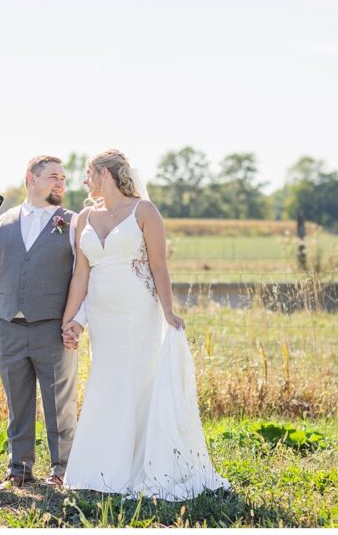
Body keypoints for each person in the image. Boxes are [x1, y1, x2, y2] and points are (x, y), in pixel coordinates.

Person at [60, 149, 230, 500]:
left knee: (136, 382)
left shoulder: (144, 212)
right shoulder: (83, 218)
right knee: (106, 383)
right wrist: (70, 320)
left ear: (105, 174)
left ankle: (138, 465)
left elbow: (159, 267)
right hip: (104, 319)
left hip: (138, 312)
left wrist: (168, 311)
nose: (84, 181)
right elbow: (81, 273)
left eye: (88, 173)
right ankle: (100, 468)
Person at [0, 155, 88, 490]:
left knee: (60, 405)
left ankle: (62, 470)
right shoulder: (3, 223)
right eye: (54, 177)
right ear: (31, 178)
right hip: (8, 328)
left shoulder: (73, 223)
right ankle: (19, 469)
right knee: (18, 403)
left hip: (53, 330)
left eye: (63, 179)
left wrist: (78, 321)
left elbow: (86, 277)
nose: (61, 184)